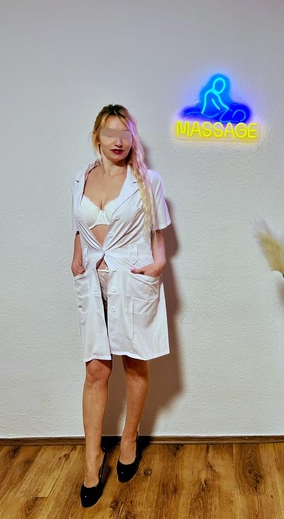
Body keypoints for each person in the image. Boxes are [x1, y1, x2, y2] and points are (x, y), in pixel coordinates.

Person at [71, 104, 171, 507]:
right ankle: (92, 459)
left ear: (132, 138)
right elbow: (79, 226)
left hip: (131, 279)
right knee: (96, 369)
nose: (118, 140)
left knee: (133, 361)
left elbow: (158, 232)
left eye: (124, 133)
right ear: (97, 136)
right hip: (92, 281)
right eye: (110, 132)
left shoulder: (148, 181)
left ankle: (129, 439)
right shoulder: (81, 177)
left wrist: (158, 263)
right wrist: (76, 258)